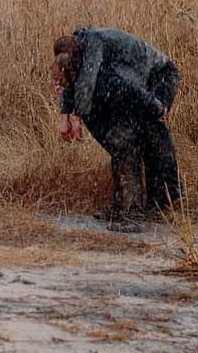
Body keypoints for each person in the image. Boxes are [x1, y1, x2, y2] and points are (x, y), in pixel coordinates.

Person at [51, 27, 181, 231]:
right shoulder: (81, 61)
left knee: (151, 137)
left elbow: (130, 91)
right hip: (137, 86)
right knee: (125, 143)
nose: (59, 86)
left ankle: (158, 209)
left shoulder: (94, 51)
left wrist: (158, 107)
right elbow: (72, 83)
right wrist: (65, 115)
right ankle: (126, 209)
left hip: (159, 75)